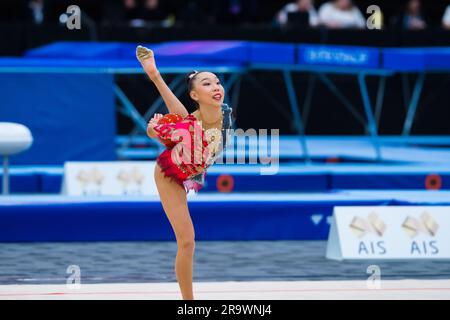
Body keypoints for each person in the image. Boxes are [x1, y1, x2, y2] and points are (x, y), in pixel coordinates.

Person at [136, 45, 233, 300]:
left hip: (191, 163)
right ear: (194, 95)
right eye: (207, 83)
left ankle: (156, 76)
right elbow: (173, 125)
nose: (216, 86)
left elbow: (193, 135)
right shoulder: (191, 123)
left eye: (217, 82)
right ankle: (188, 303)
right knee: (187, 242)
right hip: (169, 174)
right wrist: (156, 131)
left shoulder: (225, 116)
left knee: (187, 125)